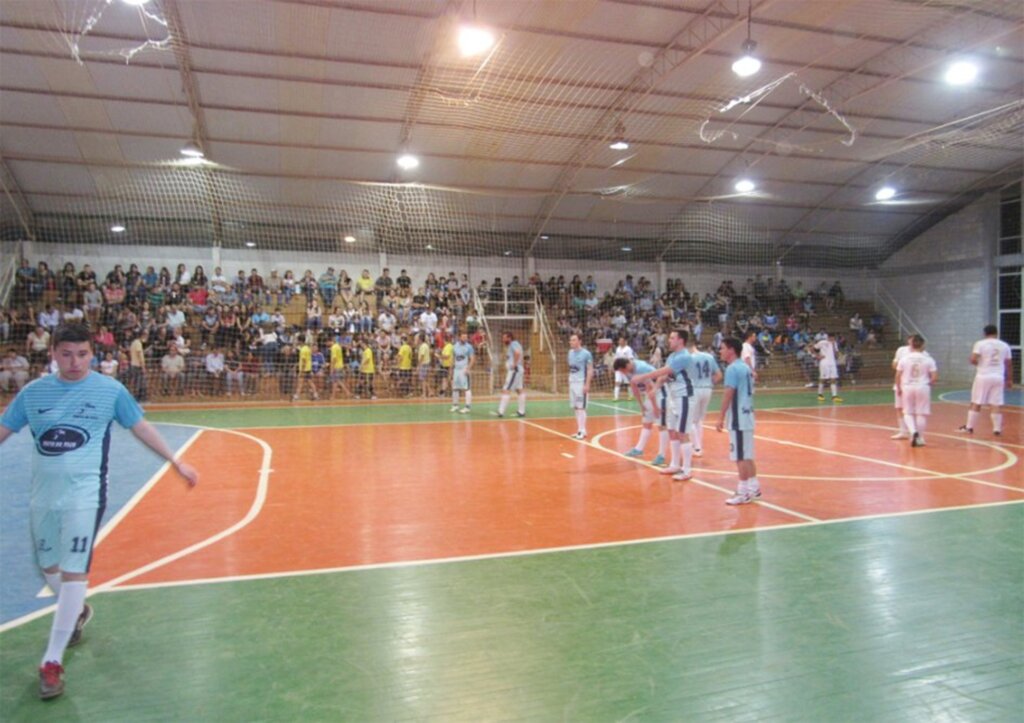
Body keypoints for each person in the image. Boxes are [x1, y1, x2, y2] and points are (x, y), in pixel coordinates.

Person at [0, 323, 198, 700]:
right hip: (43, 498)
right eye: (66, 354)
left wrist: (176, 461)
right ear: (53, 354)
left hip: (85, 496)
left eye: (82, 354)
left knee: (74, 573)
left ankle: (51, 662)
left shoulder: (110, 391)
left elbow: (140, 427)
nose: (74, 362)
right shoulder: (33, 394)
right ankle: (76, 611)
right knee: (50, 569)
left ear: (94, 354)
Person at [632, 328, 696, 481]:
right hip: (674, 398)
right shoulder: (672, 356)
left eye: (672, 338)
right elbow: (665, 376)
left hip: (684, 397)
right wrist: (655, 388)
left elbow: (663, 371)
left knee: (682, 433)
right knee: (672, 431)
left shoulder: (684, 356)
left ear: (681, 340)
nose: (669, 340)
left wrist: (643, 377)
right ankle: (674, 464)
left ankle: (687, 469)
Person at [715, 337, 761, 505]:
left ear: (731, 350)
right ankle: (754, 487)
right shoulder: (746, 368)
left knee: (740, 456)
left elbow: (729, 392)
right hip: (748, 414)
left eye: (722, 348)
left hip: (738, 418)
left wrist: (720, 417)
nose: (720, 351)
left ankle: (743, 492)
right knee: (747, 455)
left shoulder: (733, 369)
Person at [958, 324, 1013, 436]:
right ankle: (997, 429)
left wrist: (979, 364)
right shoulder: (1004, 345)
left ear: (984, 333)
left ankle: (969, 427)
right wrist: (1009, 379)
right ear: (996, 333)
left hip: (983, 375)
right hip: (998, 376)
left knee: (976, 402)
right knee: (995, 403)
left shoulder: (980, 344)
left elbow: (973, 359)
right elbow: (1009, 363)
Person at [614, 357, 668, 464]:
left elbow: (650, 387)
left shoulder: (642, 368)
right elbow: (634, 387)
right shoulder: (629, 371)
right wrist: (641, 405)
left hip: (660, 393)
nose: (623, 373)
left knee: (662, 425)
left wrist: (656, 407)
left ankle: (662, 455)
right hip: (649, 395)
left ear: (627, 365)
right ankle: (639, 449)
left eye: (623, 370)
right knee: (646, 423)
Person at [895, 335, 938, 448]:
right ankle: (921, 437)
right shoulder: (928, 359)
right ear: (922, 345)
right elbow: (934, 377)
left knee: (907, 412)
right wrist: (929, 384)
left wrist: (899, 388)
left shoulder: (904, 359)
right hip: (923, 386)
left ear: (911, 344)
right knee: (921, 413)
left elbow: (898, 375)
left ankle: (913, 431)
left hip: (907, 386)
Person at [689, 341, 722, 457]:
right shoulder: (709, 356)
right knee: (699, 420)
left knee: (691, 420)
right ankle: (698, 446)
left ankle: (697, 447)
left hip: (694, 389)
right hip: (707, 389)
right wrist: (709, 383)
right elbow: (719, 375)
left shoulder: (689, 358)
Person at [889, 334, 918, 440]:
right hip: (901, 382)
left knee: (912, 409)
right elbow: (894, 365)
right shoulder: (901, 350)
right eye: (911, 340)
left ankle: (914, 431)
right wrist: (901, 366)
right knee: (899, 407)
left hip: (913, 384)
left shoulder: (921, 353)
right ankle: (903, 431)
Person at [567, 333, 594, 439]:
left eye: (573, 340)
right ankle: (580, 430)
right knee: (575, 407)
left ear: (579, 341)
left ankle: (582, 431)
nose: (571, 342)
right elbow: (571, 368)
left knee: (581, 407)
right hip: (572, 383)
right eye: (570, 340)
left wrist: (587, 384)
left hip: (581, 383)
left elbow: (590, 369)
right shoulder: (570, 353)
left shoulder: (586, 354)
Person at [495, 331, 526, 418]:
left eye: (504, 338)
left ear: (509, 338)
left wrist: (515, 364)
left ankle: (501, 411)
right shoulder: (515, 344)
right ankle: (521, 411)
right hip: (518, 370)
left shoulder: (513, 344)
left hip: (514, 371)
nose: (503, 339)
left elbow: (517, 353)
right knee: (519, 389)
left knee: (506, 389)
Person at [813, 331, 843, 403]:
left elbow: (836, 354)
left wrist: (836, 352)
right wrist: (817, 356)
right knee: (823, 379)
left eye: (833, 337)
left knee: (833, 379)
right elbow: (812, 348)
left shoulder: (834, 343)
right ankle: (820, 394)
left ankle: (834, 396)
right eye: (831, 337)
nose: (832, 339)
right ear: (828, 337)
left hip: (832, 363)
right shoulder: (822, 342)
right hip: (824, 363)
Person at [450, 330, 475, 413]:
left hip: (464, 369)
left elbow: (472, 359)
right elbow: (453, 359)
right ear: (459, 337)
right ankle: (455, 405)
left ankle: (467, 407)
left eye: (466, 337)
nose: (465, 338)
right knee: (455, 388)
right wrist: (451, 370)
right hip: (456, 369)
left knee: (466, 388)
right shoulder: (455, 346)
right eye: (463, 337)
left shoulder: (469, 347)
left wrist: (468, 368)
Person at [612, 336, 635, 401]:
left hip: (626, 368)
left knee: (628, 382)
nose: (620, 342)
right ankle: (616, 397)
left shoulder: (628, 349)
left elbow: (630, 358)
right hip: (619, 368)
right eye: (619, 340)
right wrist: (614, 366)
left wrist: (630, 368)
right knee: (617, 382)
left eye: (621, 340)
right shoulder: (618, 349)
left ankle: (631, 396)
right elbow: (616, 358)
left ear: (624, 341)